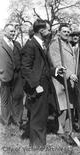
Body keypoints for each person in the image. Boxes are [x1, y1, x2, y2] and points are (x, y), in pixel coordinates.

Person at [21, 19, 59, 148]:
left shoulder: (41, 44)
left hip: (44, 83)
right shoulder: (30, 45)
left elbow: (43, 67)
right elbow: (25, 68)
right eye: (48, 29)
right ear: (41, 31)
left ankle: (38, 142)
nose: (49, 32)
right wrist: (36, 85)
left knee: (42, 114)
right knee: (38, 115)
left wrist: (56, 70)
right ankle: (37, 144)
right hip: (37, 86)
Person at [48, 24, 78, 136]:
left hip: (70, 79)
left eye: (68, 31)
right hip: (60, 79)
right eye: (64, 31)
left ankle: (68, 128)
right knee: (63, 106)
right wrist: (69, 74)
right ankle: (59, 128)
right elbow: (57, 63)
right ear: (59, 32)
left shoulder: (69, 44)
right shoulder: (55, 44)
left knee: (70, 104)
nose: (66, 33)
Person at [0, 24, 24, 126]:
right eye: (11, 31)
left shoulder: (17, 44)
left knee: (18, 97)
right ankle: (6, 120)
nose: (13, 33)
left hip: (17, 75)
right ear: (5, 32)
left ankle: (17, 119)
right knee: (5, 99)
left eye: (14, 31)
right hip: (4, 75)